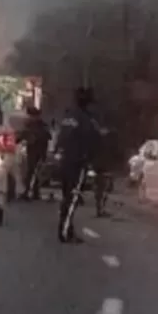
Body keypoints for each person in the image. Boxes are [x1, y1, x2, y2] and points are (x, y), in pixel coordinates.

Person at [54, 87, 105, 240]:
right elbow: (93, 140)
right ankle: (65, 231)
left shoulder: (68, 116)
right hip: (78, 162)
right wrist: (92, 160)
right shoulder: (86, 119)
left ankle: (67, 228)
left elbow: (61, 138)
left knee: (67, 196)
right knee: (73, 197)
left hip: (65, 161)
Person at [19, 106, 52, 201]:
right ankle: (33, 192)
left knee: (33, 172)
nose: (30, 117)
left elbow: (48, 137)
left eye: (32, 115)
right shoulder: (30, 125)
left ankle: (30, 192)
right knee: (32, 172)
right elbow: (22, 136)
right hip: (32, 151)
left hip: (38, 152)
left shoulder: (41, 126)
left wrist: (34, 137)